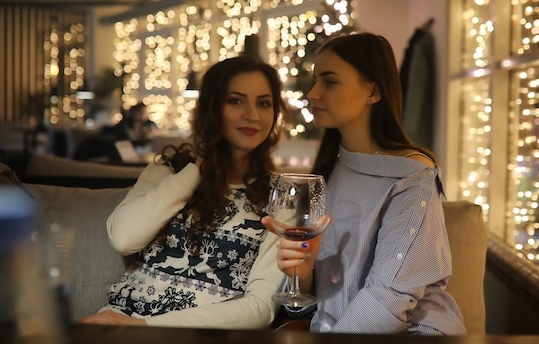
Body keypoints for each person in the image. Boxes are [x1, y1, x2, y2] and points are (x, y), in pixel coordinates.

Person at [262, 32, 467, 335]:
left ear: (373, 92)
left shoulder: (410, 175)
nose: (313, 94)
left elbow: (390, 298)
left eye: (329, 82)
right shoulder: (330, 169)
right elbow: (317, 301)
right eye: (315, 80)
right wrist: (302, 274)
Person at [79, 56, 288, 329]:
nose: (253, 115)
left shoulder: (281, 195)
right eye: (235, 100)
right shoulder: (169, 169)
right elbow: (122, 238)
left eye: (264, 103)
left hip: (189, 335)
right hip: (117, 324)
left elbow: (260, 308)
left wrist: (145, 327)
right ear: (211, 109)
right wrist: (199, 168)